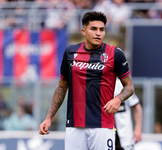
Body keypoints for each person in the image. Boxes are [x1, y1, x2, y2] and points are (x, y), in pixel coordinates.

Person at [39, 11, 134, 150]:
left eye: (102, 29)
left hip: (103, 126)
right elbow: (62, 86)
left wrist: (118, 99)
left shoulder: (115, 54)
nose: (98, 33)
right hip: (74, 126)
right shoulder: (70, 52)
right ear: (83, 31)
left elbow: (130, 86)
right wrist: (48, 117)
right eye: (93, 29)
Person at [114, 78, 142, 150]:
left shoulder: (121, 85)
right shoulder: (100, 85)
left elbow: (137, 107)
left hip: (125, 137)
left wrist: (138, 128)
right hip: (107, 135)